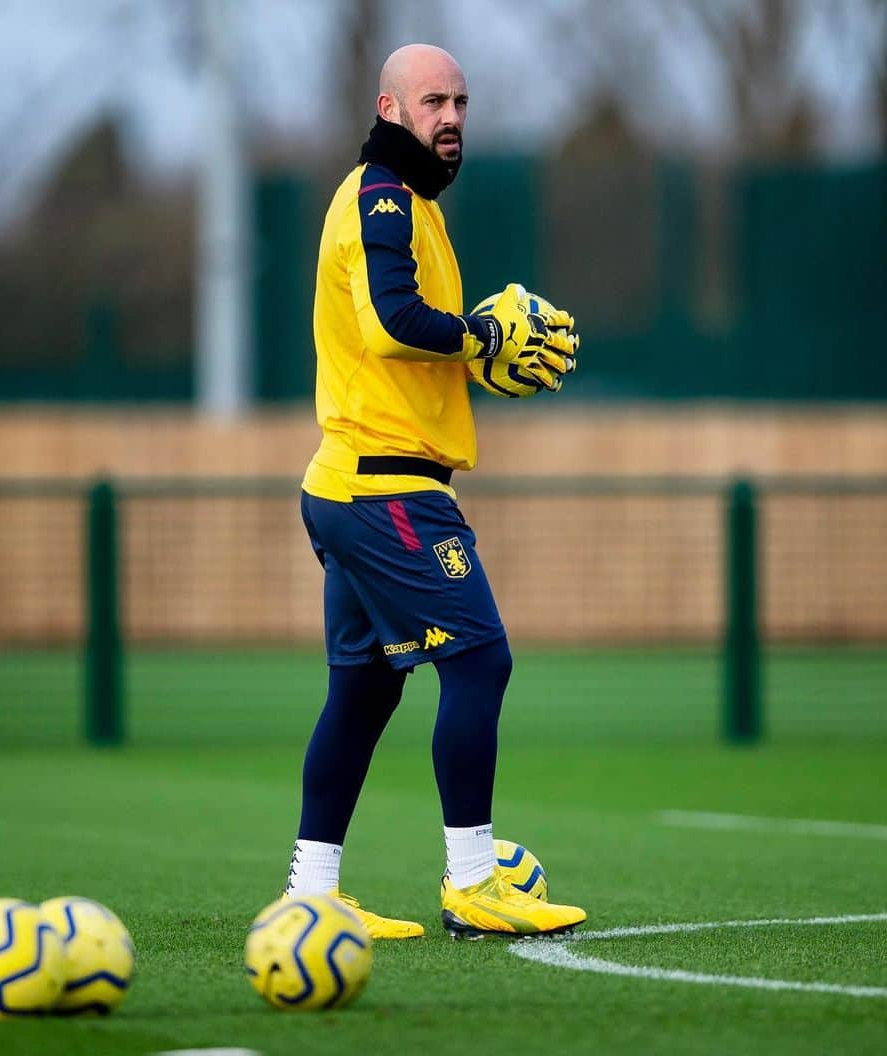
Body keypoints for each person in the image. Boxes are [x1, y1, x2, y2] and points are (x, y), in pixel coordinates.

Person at [282, 43, 586, 941]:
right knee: (480, 660)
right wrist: (479, 331)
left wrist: (478, 350)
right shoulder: (381, 193)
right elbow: (389, 320)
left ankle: (313, 893)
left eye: (460, 101)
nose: (449, 117)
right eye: (430, 102)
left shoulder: (409, 202)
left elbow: (413, 338)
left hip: (354, 483)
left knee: (365, 693)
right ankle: (472, 881)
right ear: (388, 108)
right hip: (385, 491)